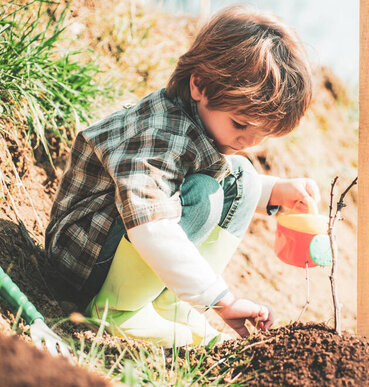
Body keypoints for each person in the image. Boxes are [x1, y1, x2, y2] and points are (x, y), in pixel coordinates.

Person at [44, 5, 318, 346]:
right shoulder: (161, 134)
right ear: (199, 85)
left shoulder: (199, 125)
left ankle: (167, 303)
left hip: (116, 244)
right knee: (204, 195)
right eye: (240, 125)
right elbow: (150, 223)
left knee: (242, 177)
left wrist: (274, 193)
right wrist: (222, 300)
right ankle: (118, 310)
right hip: (83, 255)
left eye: (262, 135)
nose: (249, 141)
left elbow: (226, 177)